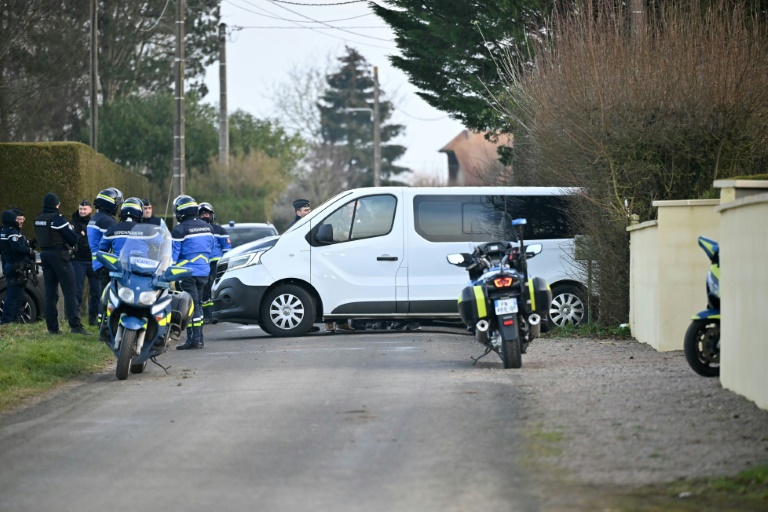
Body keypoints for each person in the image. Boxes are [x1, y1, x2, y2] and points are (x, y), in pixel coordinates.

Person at [34, 192, 90, 335]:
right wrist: (77, 235)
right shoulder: (58, 219)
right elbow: (72, 239)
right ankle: (75, 326)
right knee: (70, 290)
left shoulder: (38, 220)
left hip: (44, 256)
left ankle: (52, 328)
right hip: (60, 256)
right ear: (56, 205)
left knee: (50, 293)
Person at [171, 195, 214, 350]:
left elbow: (173, 255)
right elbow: (210, 248)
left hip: (187, 273)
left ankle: (193, 340)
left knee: (190, 306)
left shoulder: (179, 229)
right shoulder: (208, 227)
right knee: (199, 306)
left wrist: (168, 271)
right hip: (204, 273)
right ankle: (199, 339)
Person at [88, 187, 123, 328]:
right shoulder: (107, 221)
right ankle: (107, 327)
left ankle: (102, 324)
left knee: (103, 294)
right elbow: (112, 243)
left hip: (97, 263)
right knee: (110, 296)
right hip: (106, 263)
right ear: (110, 204)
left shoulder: (96, 218)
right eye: (117, 203)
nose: (118, 207)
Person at [198, 202, 231, 324]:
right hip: (201, 264)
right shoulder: (196, 231)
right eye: (202, 214)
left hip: (216, 264)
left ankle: (215, 314)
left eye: (207, 214)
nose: (204, 216)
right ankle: (207, 315)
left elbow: (227, 250)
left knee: (213, 288)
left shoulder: (219, 230)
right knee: (204, 291)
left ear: (212, 215)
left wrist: (224, 265)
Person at [0, 210, 35, 325]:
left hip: (9, 265)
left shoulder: (3, 231)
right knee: (13, 294)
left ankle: (16, 319)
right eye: (16, 219)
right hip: (15, 266)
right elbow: (17, 248)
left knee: (18, 293)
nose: (18, 221)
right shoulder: (12, 233)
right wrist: (29, 250)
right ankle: (7, 320)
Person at [71, 199, 99, 325]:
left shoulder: (94, 223)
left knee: (96, 291)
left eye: (84, 209)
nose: (82, 211)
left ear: (90, 210)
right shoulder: (72, 223)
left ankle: (94, 319)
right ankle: (75, 319)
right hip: (78, 260)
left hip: (92, 260)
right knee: (77, 291)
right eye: (80, 209)